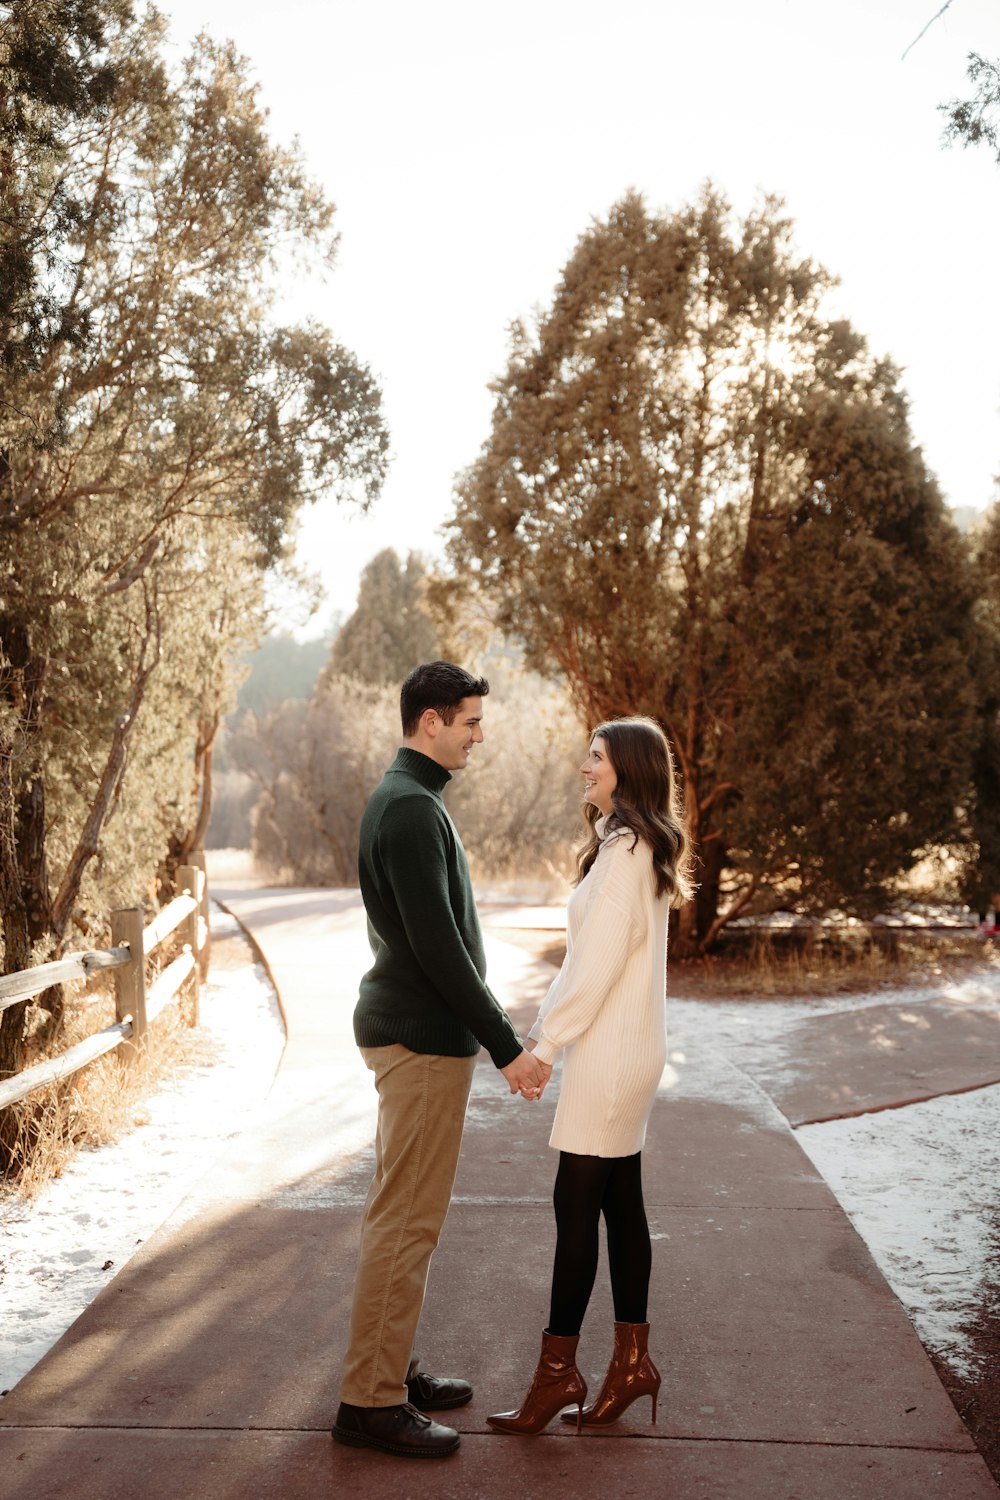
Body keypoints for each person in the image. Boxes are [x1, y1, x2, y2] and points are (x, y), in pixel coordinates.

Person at [332, 661, 547, 1460]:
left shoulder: (410, 801)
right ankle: (371, 1403)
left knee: (401, 1215)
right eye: (470, 723)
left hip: (418, 1038)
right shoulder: (411, 810)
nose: (478, 737)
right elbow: (441, 952)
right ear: (430, 721)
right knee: (407, 1221)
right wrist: (508, 1048)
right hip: (420, 1041)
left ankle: (390, 1368)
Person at [487, 716, 692, 1436]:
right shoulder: (635, 847)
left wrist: (543, 1044)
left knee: (575, 1211)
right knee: (619, 1204)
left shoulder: (627, 850)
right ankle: (631, 1364)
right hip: (628, 1050)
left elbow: (593, 965)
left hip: (608, 1057)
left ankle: (556, 1376)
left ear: (627, 770)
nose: (584, 767)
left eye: (596, 759)